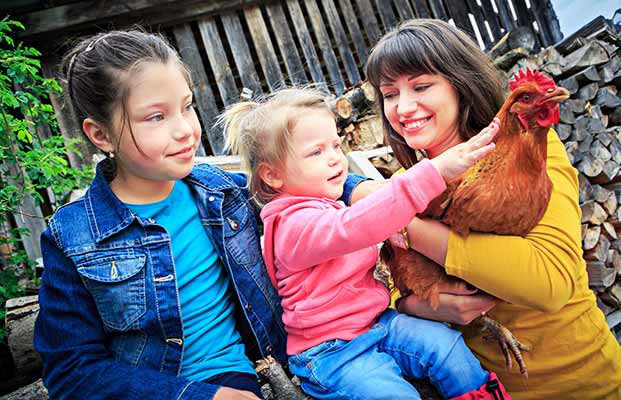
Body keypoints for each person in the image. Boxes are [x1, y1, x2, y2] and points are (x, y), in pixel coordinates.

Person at [32, 29, 376, 400]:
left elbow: (290, 179)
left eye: (187, 106)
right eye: (156, 117)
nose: (185, 130)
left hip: (238, 376)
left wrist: (356, 187)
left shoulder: (222, 193)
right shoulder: (72, 236)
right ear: (100, 134)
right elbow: (71, 371)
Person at [366, 18, 621, 399]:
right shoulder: (410, 182)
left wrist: (404, 224)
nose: (403, 107)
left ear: (460, 83)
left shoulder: (529, 153)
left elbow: (549, 282)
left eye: (421, 86)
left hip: (583, 381)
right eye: (389, 94)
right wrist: (419, 306)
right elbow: (389, 289)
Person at [219, 86, 512, 399]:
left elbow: (355, 229)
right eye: (316, 152)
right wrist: (434, 172)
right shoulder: (291, 225)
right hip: (332, 352)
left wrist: (389, 226)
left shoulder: (324, 206)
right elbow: (351, 228)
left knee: (447, 347)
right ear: (273, 176)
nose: (335, 160)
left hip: (376, 324)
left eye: (336, 146)